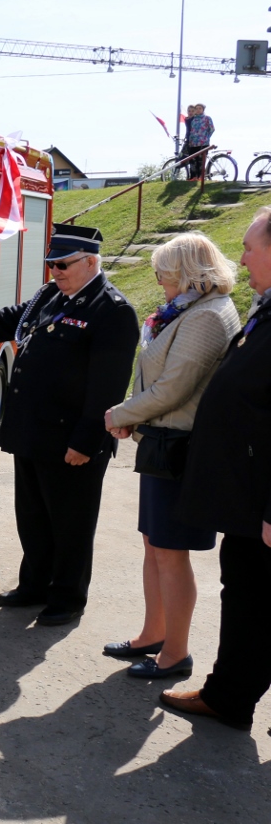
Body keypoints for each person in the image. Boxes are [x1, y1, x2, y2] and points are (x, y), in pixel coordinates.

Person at [0, 224, 139, 626]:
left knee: (71, 523)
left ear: (91, 261)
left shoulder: (111, 311)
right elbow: (8, 319)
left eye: (62, 264)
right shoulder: (51, 294)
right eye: (51, 263)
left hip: (70, 439)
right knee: (34, 516)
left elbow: (106, 390)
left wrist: (85, 441)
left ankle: (67, 597)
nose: (54, 271)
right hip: (33, 430)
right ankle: (34, 585)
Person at [101, 233, 239, 679]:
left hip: (180, 450)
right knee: (155, 546)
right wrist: (134, 418)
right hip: (163, 443)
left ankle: (175, 652)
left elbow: (174, 387)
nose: (159, 280)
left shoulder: (205, 318)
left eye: (165, 273)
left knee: (170, 551)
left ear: (187, 272)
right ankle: (153, 634)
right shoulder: (191, 310)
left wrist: (120, 414)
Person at [161, 207, 271, 731]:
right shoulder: (265, 309)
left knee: (257, 599)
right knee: (247, 595)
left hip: (264, 504)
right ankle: (230, 695)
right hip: (248, 498)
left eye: (251, 247)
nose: (242, 256)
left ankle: (231, 694)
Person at [186, 104, 215, 181]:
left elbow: (212, 129)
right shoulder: (193, 119)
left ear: (203, 110)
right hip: (193, 143)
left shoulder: (207, 118)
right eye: (197, 109)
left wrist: (206, 137)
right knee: (192, 160)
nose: (198, 110)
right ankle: (193, 177)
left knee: (201, 161)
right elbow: (190, 129)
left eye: (200, 108)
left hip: (203, 143)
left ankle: (201, 177)